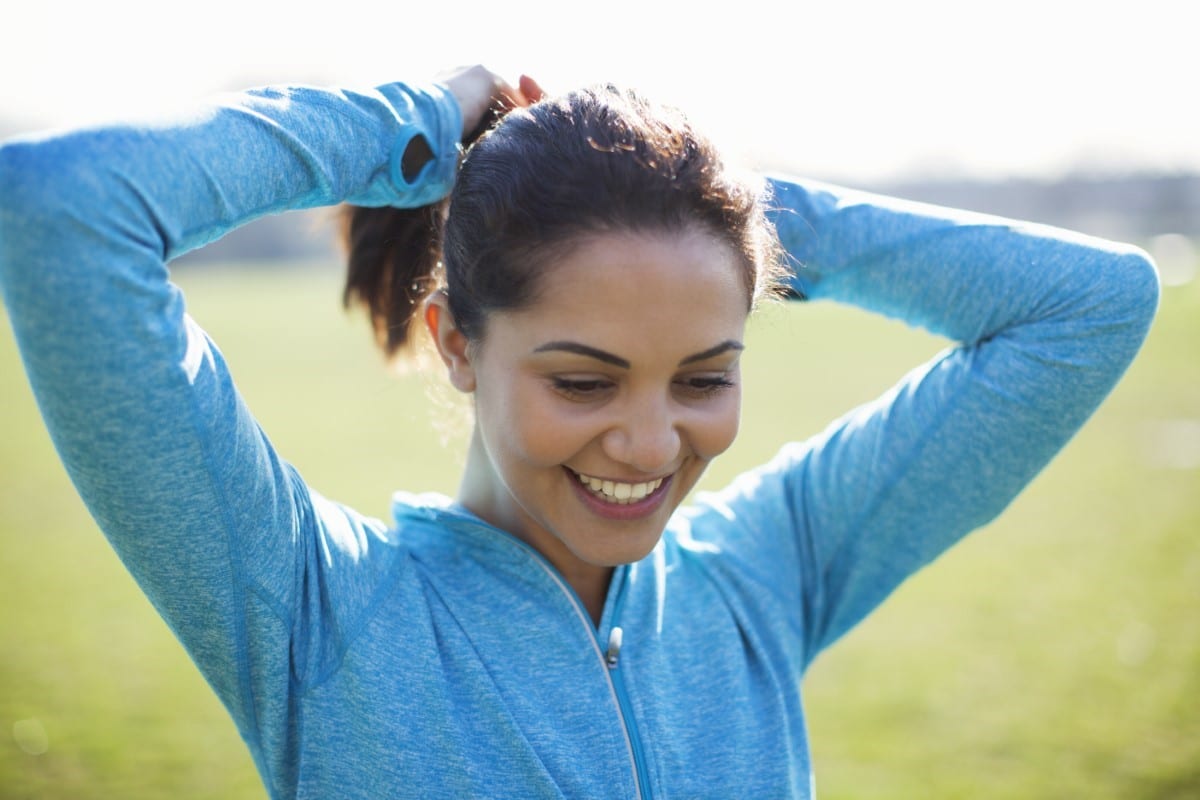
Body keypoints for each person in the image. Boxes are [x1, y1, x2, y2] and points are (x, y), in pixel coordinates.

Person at [0, 65, 1159, 799]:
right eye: (584, 381)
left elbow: (1094, 303)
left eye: (704, 375)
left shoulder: (763, 576)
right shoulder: (312, 611)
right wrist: (419, 127)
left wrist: (730, 210)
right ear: (457, 340)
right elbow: (62, 207)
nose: (652, 446)